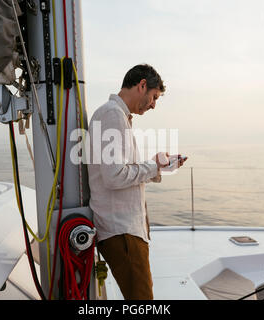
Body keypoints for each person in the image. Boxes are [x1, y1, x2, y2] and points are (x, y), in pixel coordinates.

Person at [87, 64, 187, 300]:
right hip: (122, 231)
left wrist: (158, 167)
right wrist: (154, 166)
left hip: (122, 231)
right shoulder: (113, 115)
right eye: (154, 97)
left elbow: (119, 172)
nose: (153, 104)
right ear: (142, 85)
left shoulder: (115, 115)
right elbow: (114, 176)